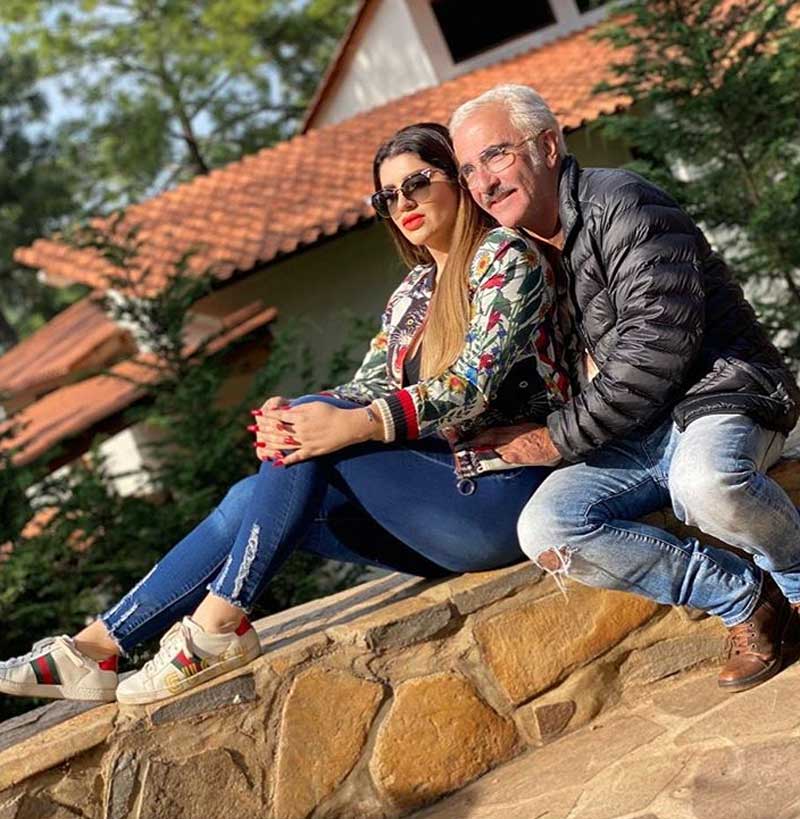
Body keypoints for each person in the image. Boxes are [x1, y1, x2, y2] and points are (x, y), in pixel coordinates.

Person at [0, 122, 571, 706]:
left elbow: (471, 385)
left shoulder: (504, 256)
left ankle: (218, 625)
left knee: (314, 425)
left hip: (503, 494)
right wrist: (296, 416)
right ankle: (95, 649)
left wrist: (339, 421)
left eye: (418, 184)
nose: (403, 204)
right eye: (387, 197)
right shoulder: (412, 294)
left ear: (458, 180)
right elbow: (365, 387)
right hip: (438, 512)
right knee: (253, 490)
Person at [449, 83, 800, 692]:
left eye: (496, 156)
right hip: (635, 430)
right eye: (468, 171)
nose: (484, 183)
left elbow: (656, 347)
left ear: (548, 146)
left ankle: (795, 580)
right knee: (548, 528)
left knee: (703, 482)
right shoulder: (519, 257)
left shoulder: (622, 202)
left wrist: (555, 440)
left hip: (718, 392)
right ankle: (744, 601)